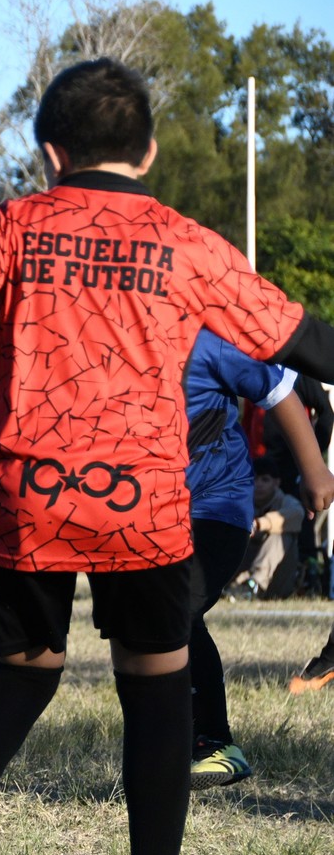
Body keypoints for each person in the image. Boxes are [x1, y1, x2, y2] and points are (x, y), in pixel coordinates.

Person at [0, 57, 334, 855]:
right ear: (146, 152)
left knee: (20, 672)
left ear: (47, 152)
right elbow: (295, 337)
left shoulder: (18, 222)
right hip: (138, 500)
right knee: (153, 682)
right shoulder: (186, 241)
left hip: (17, 493)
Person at [182, 331, 334, 788]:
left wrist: (314, 468)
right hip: (156, 510)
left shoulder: (204, 342)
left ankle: (214, 743)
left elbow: (280, 390)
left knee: (175, 611)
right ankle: (173, 736)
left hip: (218, 508)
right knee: (148, 623)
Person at [228, 457, 307, 601]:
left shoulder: (286, 501)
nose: (258, 485)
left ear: (276, 483)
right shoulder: (238, 503)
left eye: (265, 480)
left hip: (278, 580)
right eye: (254, 479)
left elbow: (298, 513)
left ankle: (254, 585)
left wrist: (260, 524)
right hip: (239, 572)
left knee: (281, 534)